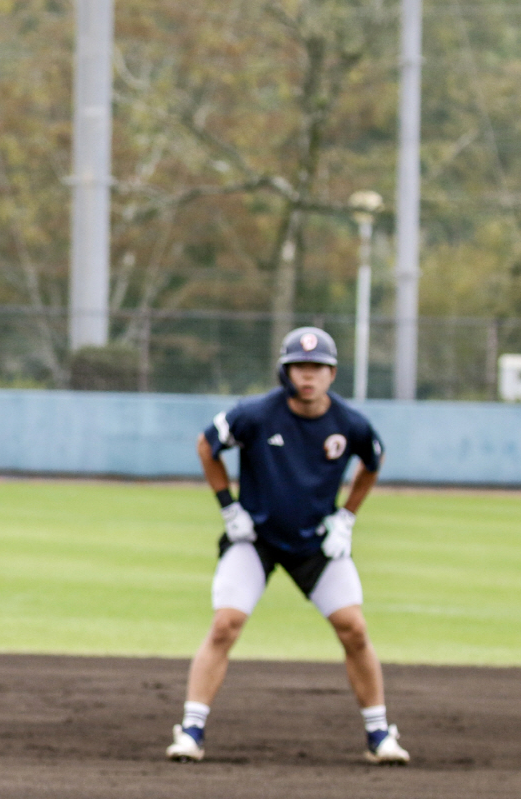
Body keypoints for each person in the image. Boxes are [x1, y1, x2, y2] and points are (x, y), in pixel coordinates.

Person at [166, 327, 409, 766]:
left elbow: (374, 460)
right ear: (285, 371)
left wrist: (347, 517)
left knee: (354, 629)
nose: (308, 375)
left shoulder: (349, 423)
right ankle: (191, 730)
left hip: (315, 542)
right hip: (255, 537)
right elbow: (207, 445)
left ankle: (379, 735)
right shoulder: (256, 414)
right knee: (225, 625)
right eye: (299, 366)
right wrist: (228, 508)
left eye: (317, 367)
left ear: (332, 373)